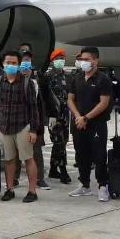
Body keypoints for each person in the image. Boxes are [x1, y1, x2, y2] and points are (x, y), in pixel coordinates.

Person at [0, 50, 39, 203]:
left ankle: (32, 191)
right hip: (5, 126)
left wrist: (33, 130)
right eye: (8, 63)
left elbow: (33, 107)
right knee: (9, 159)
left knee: (28, 158)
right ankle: (9, 189)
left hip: (22, 125)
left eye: (14, 63)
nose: (10, 65)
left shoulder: (26, 83)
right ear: (3, 64)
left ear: (18, 65)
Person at [67, 47, 112, 201]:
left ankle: (103, 186)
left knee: (99, 155)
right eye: (82, 59)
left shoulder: (103, 79)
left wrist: (86, 118)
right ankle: (84, 185)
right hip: (79, 124)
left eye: (87, 59)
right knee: (81, 155)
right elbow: (70, 99)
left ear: (95, 60)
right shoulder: (77, 78)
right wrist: (78, 116)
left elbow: (104, 103)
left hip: (96, 124)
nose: (83, 62)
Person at [16, 50, 50, 190]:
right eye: (24, 61)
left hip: (33, 121)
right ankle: (14, 178)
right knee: (17, 151)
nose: (26, 64)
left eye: (28, 61)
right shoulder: (13, 79)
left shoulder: (37, 80)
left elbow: (44, 100)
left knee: (36, 151)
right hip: (17, 121)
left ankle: (39, 178)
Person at [46, 48, 72, 184]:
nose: (60, 61)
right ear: (52, 61)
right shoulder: (48, 77)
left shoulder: (68, 76)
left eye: (62, 58)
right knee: (59, 142)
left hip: (65, 115)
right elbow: (46, 98)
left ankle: (52, 168)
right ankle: (63, 171)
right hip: (53, 116)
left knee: (62, 142)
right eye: (57, 59)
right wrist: (50, 114)